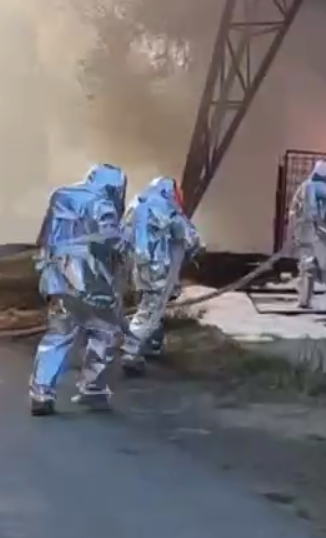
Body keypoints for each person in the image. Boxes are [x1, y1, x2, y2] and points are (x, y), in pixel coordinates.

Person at [28, 163, 129, 416]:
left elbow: (44, 238)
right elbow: (111, 240)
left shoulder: (61, 195)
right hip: (92, 282)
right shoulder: (102, 203)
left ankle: (41, 393)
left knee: (58, 335)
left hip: (57, 279)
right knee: (105, 332)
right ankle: (92, 389)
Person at [120, 176, 202, 376]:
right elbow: (189, 238)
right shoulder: (166, 208)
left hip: (135, 268)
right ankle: (131, 351)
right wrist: (195, 250)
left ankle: (153, 342)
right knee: (150, 308)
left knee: (147, 305)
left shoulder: (136, 205)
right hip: (158, 268)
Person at [288, 159, 326, 310]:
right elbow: (316, 212)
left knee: (307, 267)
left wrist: (297, 231)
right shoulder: (321, 189)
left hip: (306, 235)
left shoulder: (305, 186)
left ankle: (304, 300)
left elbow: (295, 212)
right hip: (319, 234)